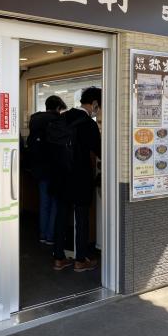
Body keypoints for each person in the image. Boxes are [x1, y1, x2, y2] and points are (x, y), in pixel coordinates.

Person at [52, 87, 101, 271]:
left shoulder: (62, 117)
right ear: (94, 104)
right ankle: (80, 260)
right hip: (80, 177)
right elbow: (99, 150)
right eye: (99, 106)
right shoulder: (88, 124)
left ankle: (59, 258)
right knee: (81, 218)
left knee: (61, 216)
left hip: (61, 175)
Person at [27, 95, 67, 244]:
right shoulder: (58, 120)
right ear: (58, 107)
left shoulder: (35, 120)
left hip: (38, 168)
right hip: (54, 168)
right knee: (55, 202)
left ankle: (43, 235)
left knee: (44, 202)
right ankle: (51, 236)